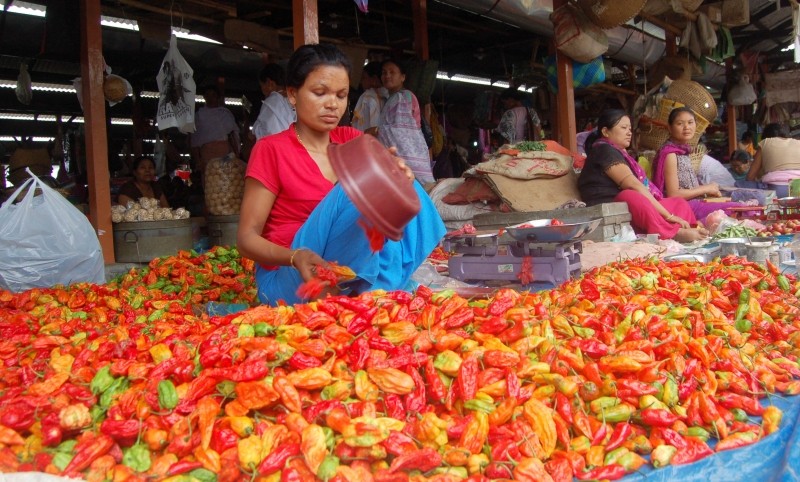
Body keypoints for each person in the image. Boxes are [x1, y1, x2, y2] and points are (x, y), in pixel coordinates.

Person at [237, 44, 445, 306]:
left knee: (403, 184)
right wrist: (294, 256)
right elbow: (246, 239)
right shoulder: (271, 149)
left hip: (343, 275)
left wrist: (399, 179)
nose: (332, 105)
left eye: (341, 95)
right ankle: (368, 290)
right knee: (358, 186)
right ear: (292, 94)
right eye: (320, 93)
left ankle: (374, 288)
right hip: (294, 278)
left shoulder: (351, 140)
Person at [577, 109, 707, 242]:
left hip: (632, 207)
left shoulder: (620, 153)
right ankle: (672, 233)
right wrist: (668, 216)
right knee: (630, 195)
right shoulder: (603, 150)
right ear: (605, 132)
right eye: (623, 127)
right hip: (612, 205)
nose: (629, 132)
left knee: (678, 203)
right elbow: (633, 185)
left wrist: (669, 213)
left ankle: (690, 227)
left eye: (630, 128)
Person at [651, 107, 743, 224]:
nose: (687, 127)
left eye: (690, 122)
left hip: (694, 203)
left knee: (745, 204)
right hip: (685, 207)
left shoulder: (683, 150)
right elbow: (673, 194)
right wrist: (705, 188)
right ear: (670, 127)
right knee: (741, 210)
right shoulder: (670, 154)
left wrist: (706, 190)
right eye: (680, 123)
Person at [376, 59, 434, 184]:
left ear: (402, 77)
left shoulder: (403, 96)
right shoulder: (391, 98)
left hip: (409, 157)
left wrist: (376, 131)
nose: (387, 76)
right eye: (384, 72)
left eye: (392, 72)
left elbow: (401, 133)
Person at [190, 85, 240, 176]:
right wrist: (198, 161)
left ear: (217, 97)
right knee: (211, 184)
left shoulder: (225, 114)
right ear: (204, 97)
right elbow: (194, 140)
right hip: (207, 155)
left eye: (213, 95)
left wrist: (237, 155)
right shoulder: (199, 116)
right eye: (208, 95)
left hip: (225, 154)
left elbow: (232, 136)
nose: (210, 98)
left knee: (227, 183)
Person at [744, 123, 800, 197]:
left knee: (741, 185)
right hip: (798, 187)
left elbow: (750, 177)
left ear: (765, 136)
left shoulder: (765, 142)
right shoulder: (797, 143)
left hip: (777, 189)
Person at [252, 64, 296, 140]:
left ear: (270, 83)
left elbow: (267, 131)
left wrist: (255, 129)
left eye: (262, 86)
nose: (262, 91)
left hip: (278, 148)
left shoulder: (271, 103)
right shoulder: (295, 98)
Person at [351, 61, 387, 134]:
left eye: (364, 77)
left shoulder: (367, 97)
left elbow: (367, 127)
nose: (361, 82)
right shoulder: (388, 96)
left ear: (374, 79)